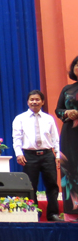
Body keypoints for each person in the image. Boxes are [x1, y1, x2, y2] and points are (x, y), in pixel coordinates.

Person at [13, 90, 61, 222]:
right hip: (29, 156)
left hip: (47, 155)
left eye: (37, 99)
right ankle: (32, 213)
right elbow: (16, 138)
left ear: (42, 102)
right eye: (32, 100)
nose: (34, 102)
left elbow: (55, 138)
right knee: (30, 186)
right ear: (28, 102)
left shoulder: (49, 118)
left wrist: (58, 155)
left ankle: (53, 214)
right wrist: (19, 154)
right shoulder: (20, 118)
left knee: (52, 185)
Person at [56, 55, 78, 216]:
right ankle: (72, 211)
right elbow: (58, 110)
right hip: (69, 134)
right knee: (70, 169)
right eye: (76, 65)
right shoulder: (67, 89)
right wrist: (66, 113)